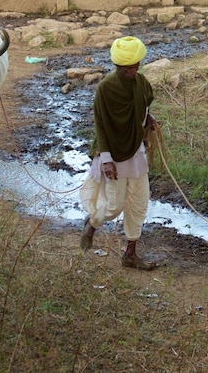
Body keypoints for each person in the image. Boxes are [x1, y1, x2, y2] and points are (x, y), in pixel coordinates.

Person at [79, 36, 159, 270]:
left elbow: (145, 105)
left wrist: (148, 119)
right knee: (114, 206)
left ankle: (130, 253)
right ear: (117, 66)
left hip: (136, 151)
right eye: (127, 67)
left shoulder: (141, 82)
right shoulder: (106, 87)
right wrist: (106, 160)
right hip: (113, 153)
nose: (132, 71)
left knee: (139, 203)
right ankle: (92, 224)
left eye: (136, 66)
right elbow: (100, 123)